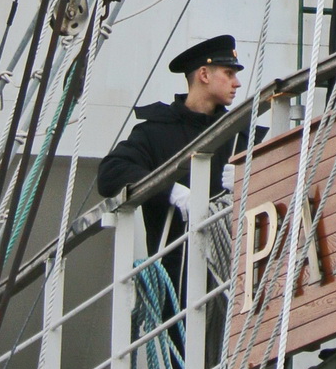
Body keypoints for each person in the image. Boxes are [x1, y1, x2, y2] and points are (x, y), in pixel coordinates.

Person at [96, 34, 246, 254]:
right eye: (229, 73)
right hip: (174, 267)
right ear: (204, 74)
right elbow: (110, 173)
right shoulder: (155, 132)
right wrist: (169, 190)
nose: (237, 83)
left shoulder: (240, 134)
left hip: (232, 267)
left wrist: (249, 182)